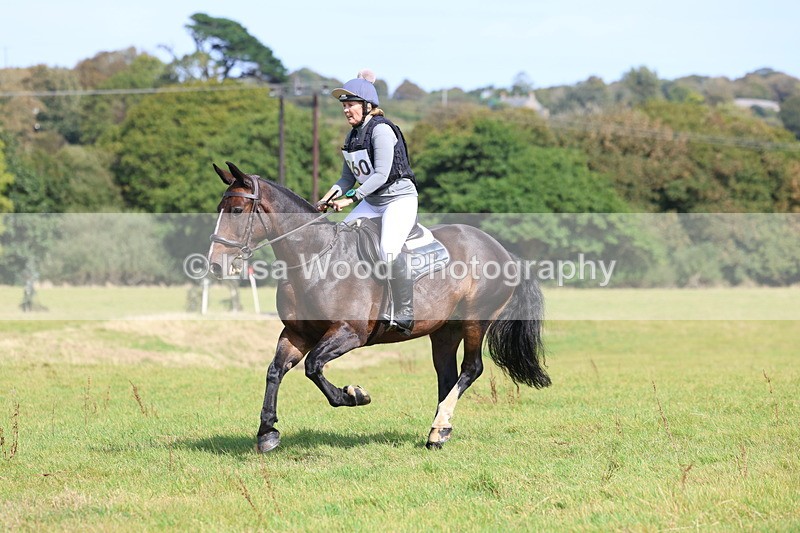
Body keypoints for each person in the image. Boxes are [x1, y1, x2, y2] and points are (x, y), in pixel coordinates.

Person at [316, 69, 418, 335]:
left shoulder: (381, 130)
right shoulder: (352, 137)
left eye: (350, 105)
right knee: (339, 241)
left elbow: (381, 175)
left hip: (399, 199)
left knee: (388, 249)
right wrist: (326, 199)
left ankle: (405, 311)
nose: (346, 110)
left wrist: (350, 200)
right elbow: (345, 179)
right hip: (373, 201)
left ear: (367, 105)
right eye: (344, 106)